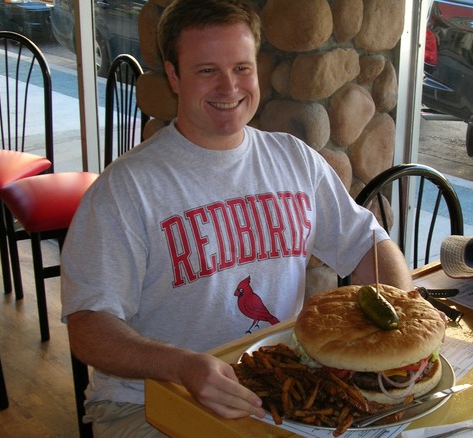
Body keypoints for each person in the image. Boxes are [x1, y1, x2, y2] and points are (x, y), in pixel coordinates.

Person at [60, 0, 413, 435]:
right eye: (207, 70)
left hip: (275, 386)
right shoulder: (125, 190)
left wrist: (403, 326)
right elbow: (88, 326)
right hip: (147, 401)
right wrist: (183, 366)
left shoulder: (295, 160)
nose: (230, 87)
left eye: (242, 68)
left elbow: (369, 245)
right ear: (173, 75)